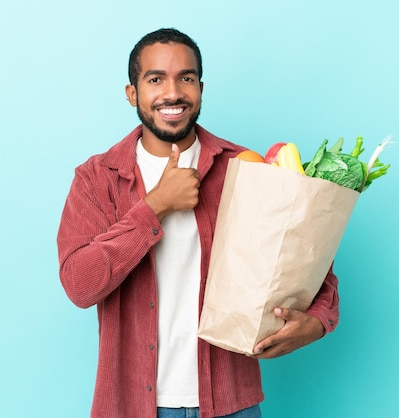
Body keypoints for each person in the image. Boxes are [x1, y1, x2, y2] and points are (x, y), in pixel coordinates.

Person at [56, 28, 339, 418]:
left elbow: (309, 260)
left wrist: (319, 322)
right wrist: (155, 206)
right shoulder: (96, 179)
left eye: (185, 78)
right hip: (133, 406)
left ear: (200, 88)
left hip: (230, 402)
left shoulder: (245, 167)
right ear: (132, 93)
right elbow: (79, 284)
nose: (172, 93)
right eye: (155, 79)